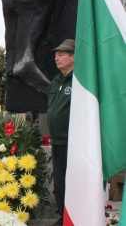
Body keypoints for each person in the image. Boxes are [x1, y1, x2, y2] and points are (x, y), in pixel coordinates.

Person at [47, 39, 75, 226]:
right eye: (56, 55)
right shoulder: (56, 80)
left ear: (73, 57)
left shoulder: (79, 80)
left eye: (62, 54)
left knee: (73, 183)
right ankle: (63, 218)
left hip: (73, 142)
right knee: (59, 184)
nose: (57, 58)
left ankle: (74, 217)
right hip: (57, 141)